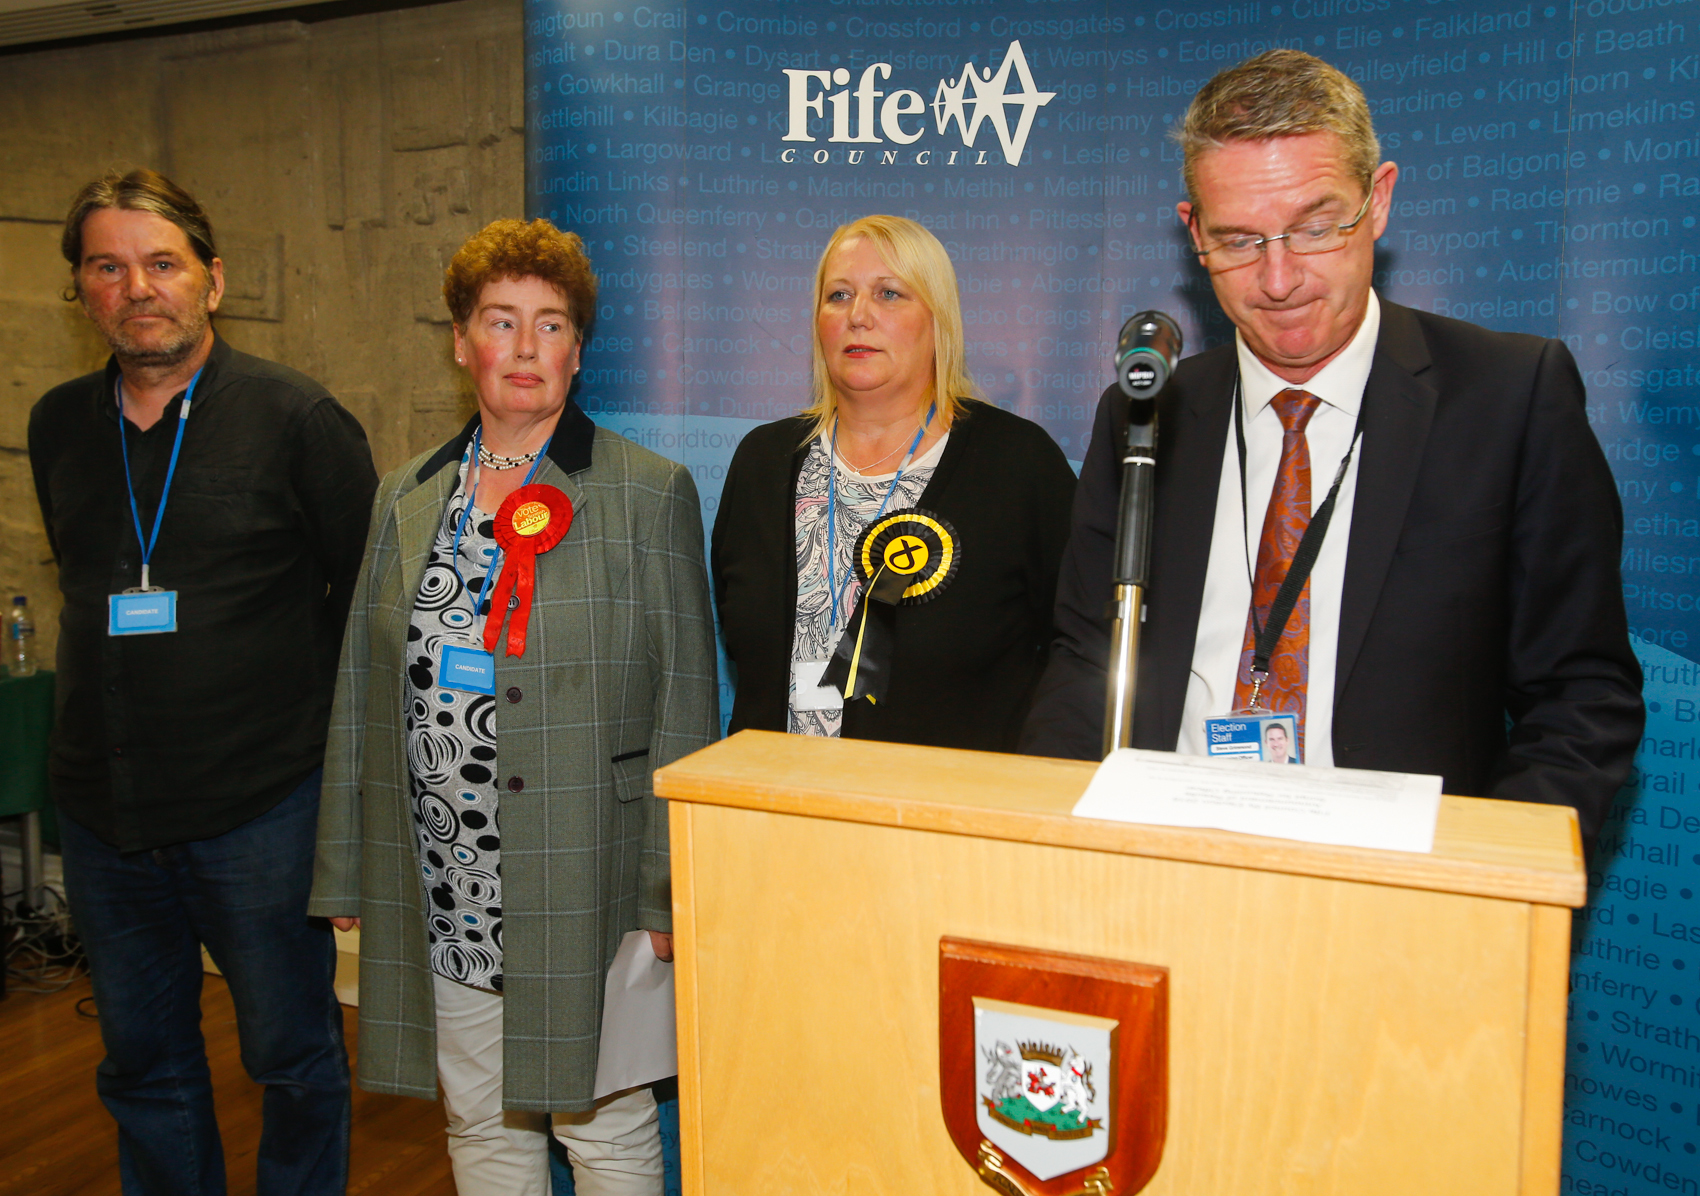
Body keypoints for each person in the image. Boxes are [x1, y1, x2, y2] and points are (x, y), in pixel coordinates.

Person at [1021, 51, 1642, 852]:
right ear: (1193, 233)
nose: (1279, 279)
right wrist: (1046, 842)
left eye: (1315, 228)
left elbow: (1582, 695)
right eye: (1239, 240)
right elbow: (1086, 655)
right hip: (1162, 867)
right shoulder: (1145, 413)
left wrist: (1484, 884)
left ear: (1377, 201)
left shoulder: (1508, 397)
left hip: (1399, 892)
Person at [308, 218, 718, 1196]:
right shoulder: (404, 497)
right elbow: (363, 696)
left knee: (605, 1127)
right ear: (462, 341)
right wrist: (344, 864)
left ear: (578, 349)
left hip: (592, 873)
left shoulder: (644, 492)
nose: (526, 347)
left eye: (551, 323)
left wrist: (668, 890)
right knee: (482, 1122)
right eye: (501, 321)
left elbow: (686, 700)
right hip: (446, 876)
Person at [28, 169, 373, 1195]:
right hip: (102, 814)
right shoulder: (55, 426)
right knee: (142, 1065)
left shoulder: (298, 418)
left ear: (211, 281)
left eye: (163, 262)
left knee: (293, 1056)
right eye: (108, 265)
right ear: (83, 290)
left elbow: (366, 611)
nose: (139, 285)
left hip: (259, 810)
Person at [712, 215, 1076, 751]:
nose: (858, 316)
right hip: (772, 815)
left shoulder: (1018, 465)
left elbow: (1083, 648)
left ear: (938, 319)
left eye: (888, 293)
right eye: (838, 295)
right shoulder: (762, 463)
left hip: (944, 820)